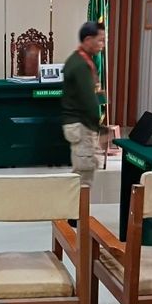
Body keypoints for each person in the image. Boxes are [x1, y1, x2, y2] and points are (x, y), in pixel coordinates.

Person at [61, 21, 105, 191]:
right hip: (81, 124)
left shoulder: (78, 59)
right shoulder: (80, 64)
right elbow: (88, 100)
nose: (102, 45)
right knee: (83, 177)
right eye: (100, 40)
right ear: (88, 40)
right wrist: (99, 127)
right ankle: (78, 209)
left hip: (79, 123)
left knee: (84, 172)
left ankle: (77, 207)